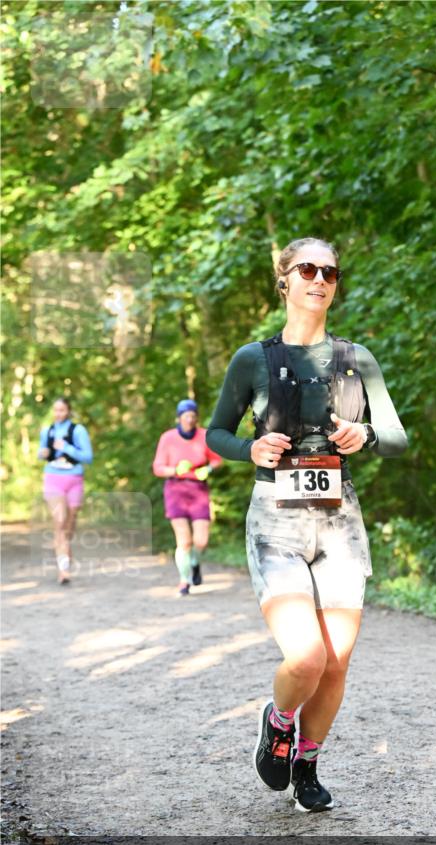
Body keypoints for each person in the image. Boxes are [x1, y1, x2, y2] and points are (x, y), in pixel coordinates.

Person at [206, 237, 407, 812]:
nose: (321, 279)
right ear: (285, 280)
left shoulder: (356, 358)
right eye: (308, 269)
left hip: (340, 521)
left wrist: (362, 434)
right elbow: (216, 432)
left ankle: (307, 765)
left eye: (331, 272)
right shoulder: (253, 359)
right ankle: (278, 722)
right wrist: (252, 449)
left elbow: (395, 437)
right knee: (307, 658)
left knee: (337, 661)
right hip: (276, 522)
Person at [152, 399, 223, 596]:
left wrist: (207, 469)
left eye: (193, 416)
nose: (190, 419)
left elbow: (217, 460)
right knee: (184, 541)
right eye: (186, 416)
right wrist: (174, 469)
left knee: (201, 540)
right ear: (179, 417)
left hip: (198, 489)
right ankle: (184, 581)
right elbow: (157, 468)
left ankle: (194, 562)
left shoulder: (203, 436)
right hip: (175, 490)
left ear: (196, 418)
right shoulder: (168, 438)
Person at [38, 397, 93, 584]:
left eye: (62, 410)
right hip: (53, 479)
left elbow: (88, 457)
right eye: (55, 410)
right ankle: (63, 570)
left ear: (68, 411)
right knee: (59, 521)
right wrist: (42, 453)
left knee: (69, 527)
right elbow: (41, 452)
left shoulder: (78, 431)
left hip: (74, 480)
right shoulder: (48, 431)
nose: (58, 414)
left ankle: (65, 555)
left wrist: (67, 448)